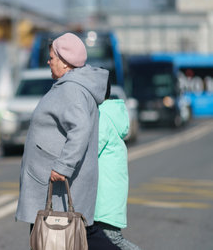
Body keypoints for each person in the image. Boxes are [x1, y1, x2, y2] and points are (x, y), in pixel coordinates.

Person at [15, 32, 120, 249]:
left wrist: (63, 167)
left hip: (58, 182)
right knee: (62, 236)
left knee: (63, 235)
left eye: (52, 57)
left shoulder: (71, 89)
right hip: (53, 181)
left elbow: (80, 129)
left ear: (64, 62)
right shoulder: (71, 85)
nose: (48, 61)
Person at [94, 81, 141, 250]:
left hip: (104, 199)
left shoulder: (101, 117)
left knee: (112, 240)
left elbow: (88, 151)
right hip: (109, 196)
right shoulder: (109, 114)